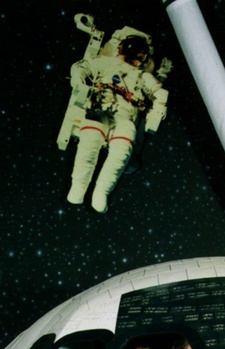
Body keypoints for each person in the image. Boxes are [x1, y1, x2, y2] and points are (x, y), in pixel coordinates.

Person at [66, 28, 169, 213]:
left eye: (139, 52)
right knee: (90, 142)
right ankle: (78, 187)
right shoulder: (105, 63)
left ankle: (101, 191)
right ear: (121, 47)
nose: (135, 54)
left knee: (122, 151)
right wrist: (80, 84)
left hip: (125, 117)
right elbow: (80, 68)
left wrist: (158, 111)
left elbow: (159, 93)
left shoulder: (142, 76)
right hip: (100, 109)